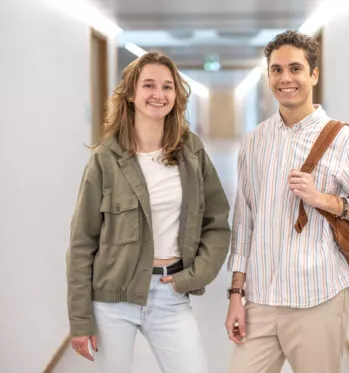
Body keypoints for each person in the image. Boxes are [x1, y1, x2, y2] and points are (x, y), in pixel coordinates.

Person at [225, 30, 349, 373]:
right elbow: (244, 221)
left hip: (317, 299)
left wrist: (325, 200)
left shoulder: (344, 140)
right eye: (276, 70)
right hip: (260, 300)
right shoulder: (255, 140)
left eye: (295, 68)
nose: (285, 78)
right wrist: (235, 293)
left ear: (313, 75)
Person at [66, 52, 231, 373]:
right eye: (149, 85)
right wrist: (80, 319)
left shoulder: (191, 151)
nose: (159, 94)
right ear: (131, 93)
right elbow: (82, 243)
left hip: (171, 293)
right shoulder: (105, 159)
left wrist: (195, 276)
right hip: (111, 299)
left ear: (176, 96)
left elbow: (218, 222)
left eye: (168, 87)